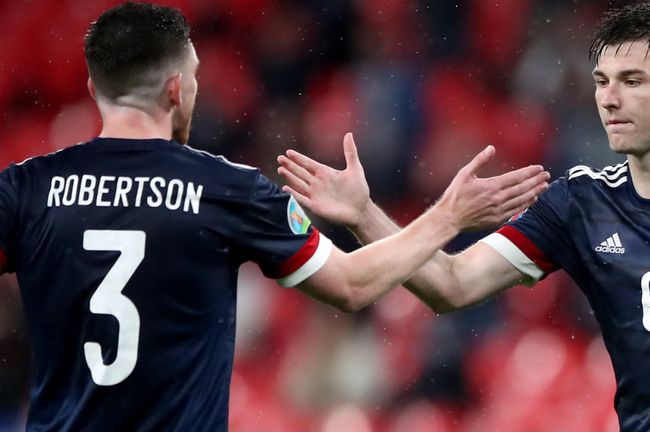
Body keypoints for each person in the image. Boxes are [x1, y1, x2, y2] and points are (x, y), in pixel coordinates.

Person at [0, 3, 550, 431]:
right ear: (176, 88)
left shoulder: (24, 189)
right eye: (192, 76)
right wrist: (448, 218)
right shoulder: (226, 188)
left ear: (96, 89)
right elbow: (353, 286)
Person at [277, 2, 650, 431]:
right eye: (602, 81)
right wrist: (364, 215)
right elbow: (450, 284)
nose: (609, 98)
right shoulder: (580, 203)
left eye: (632, 81)